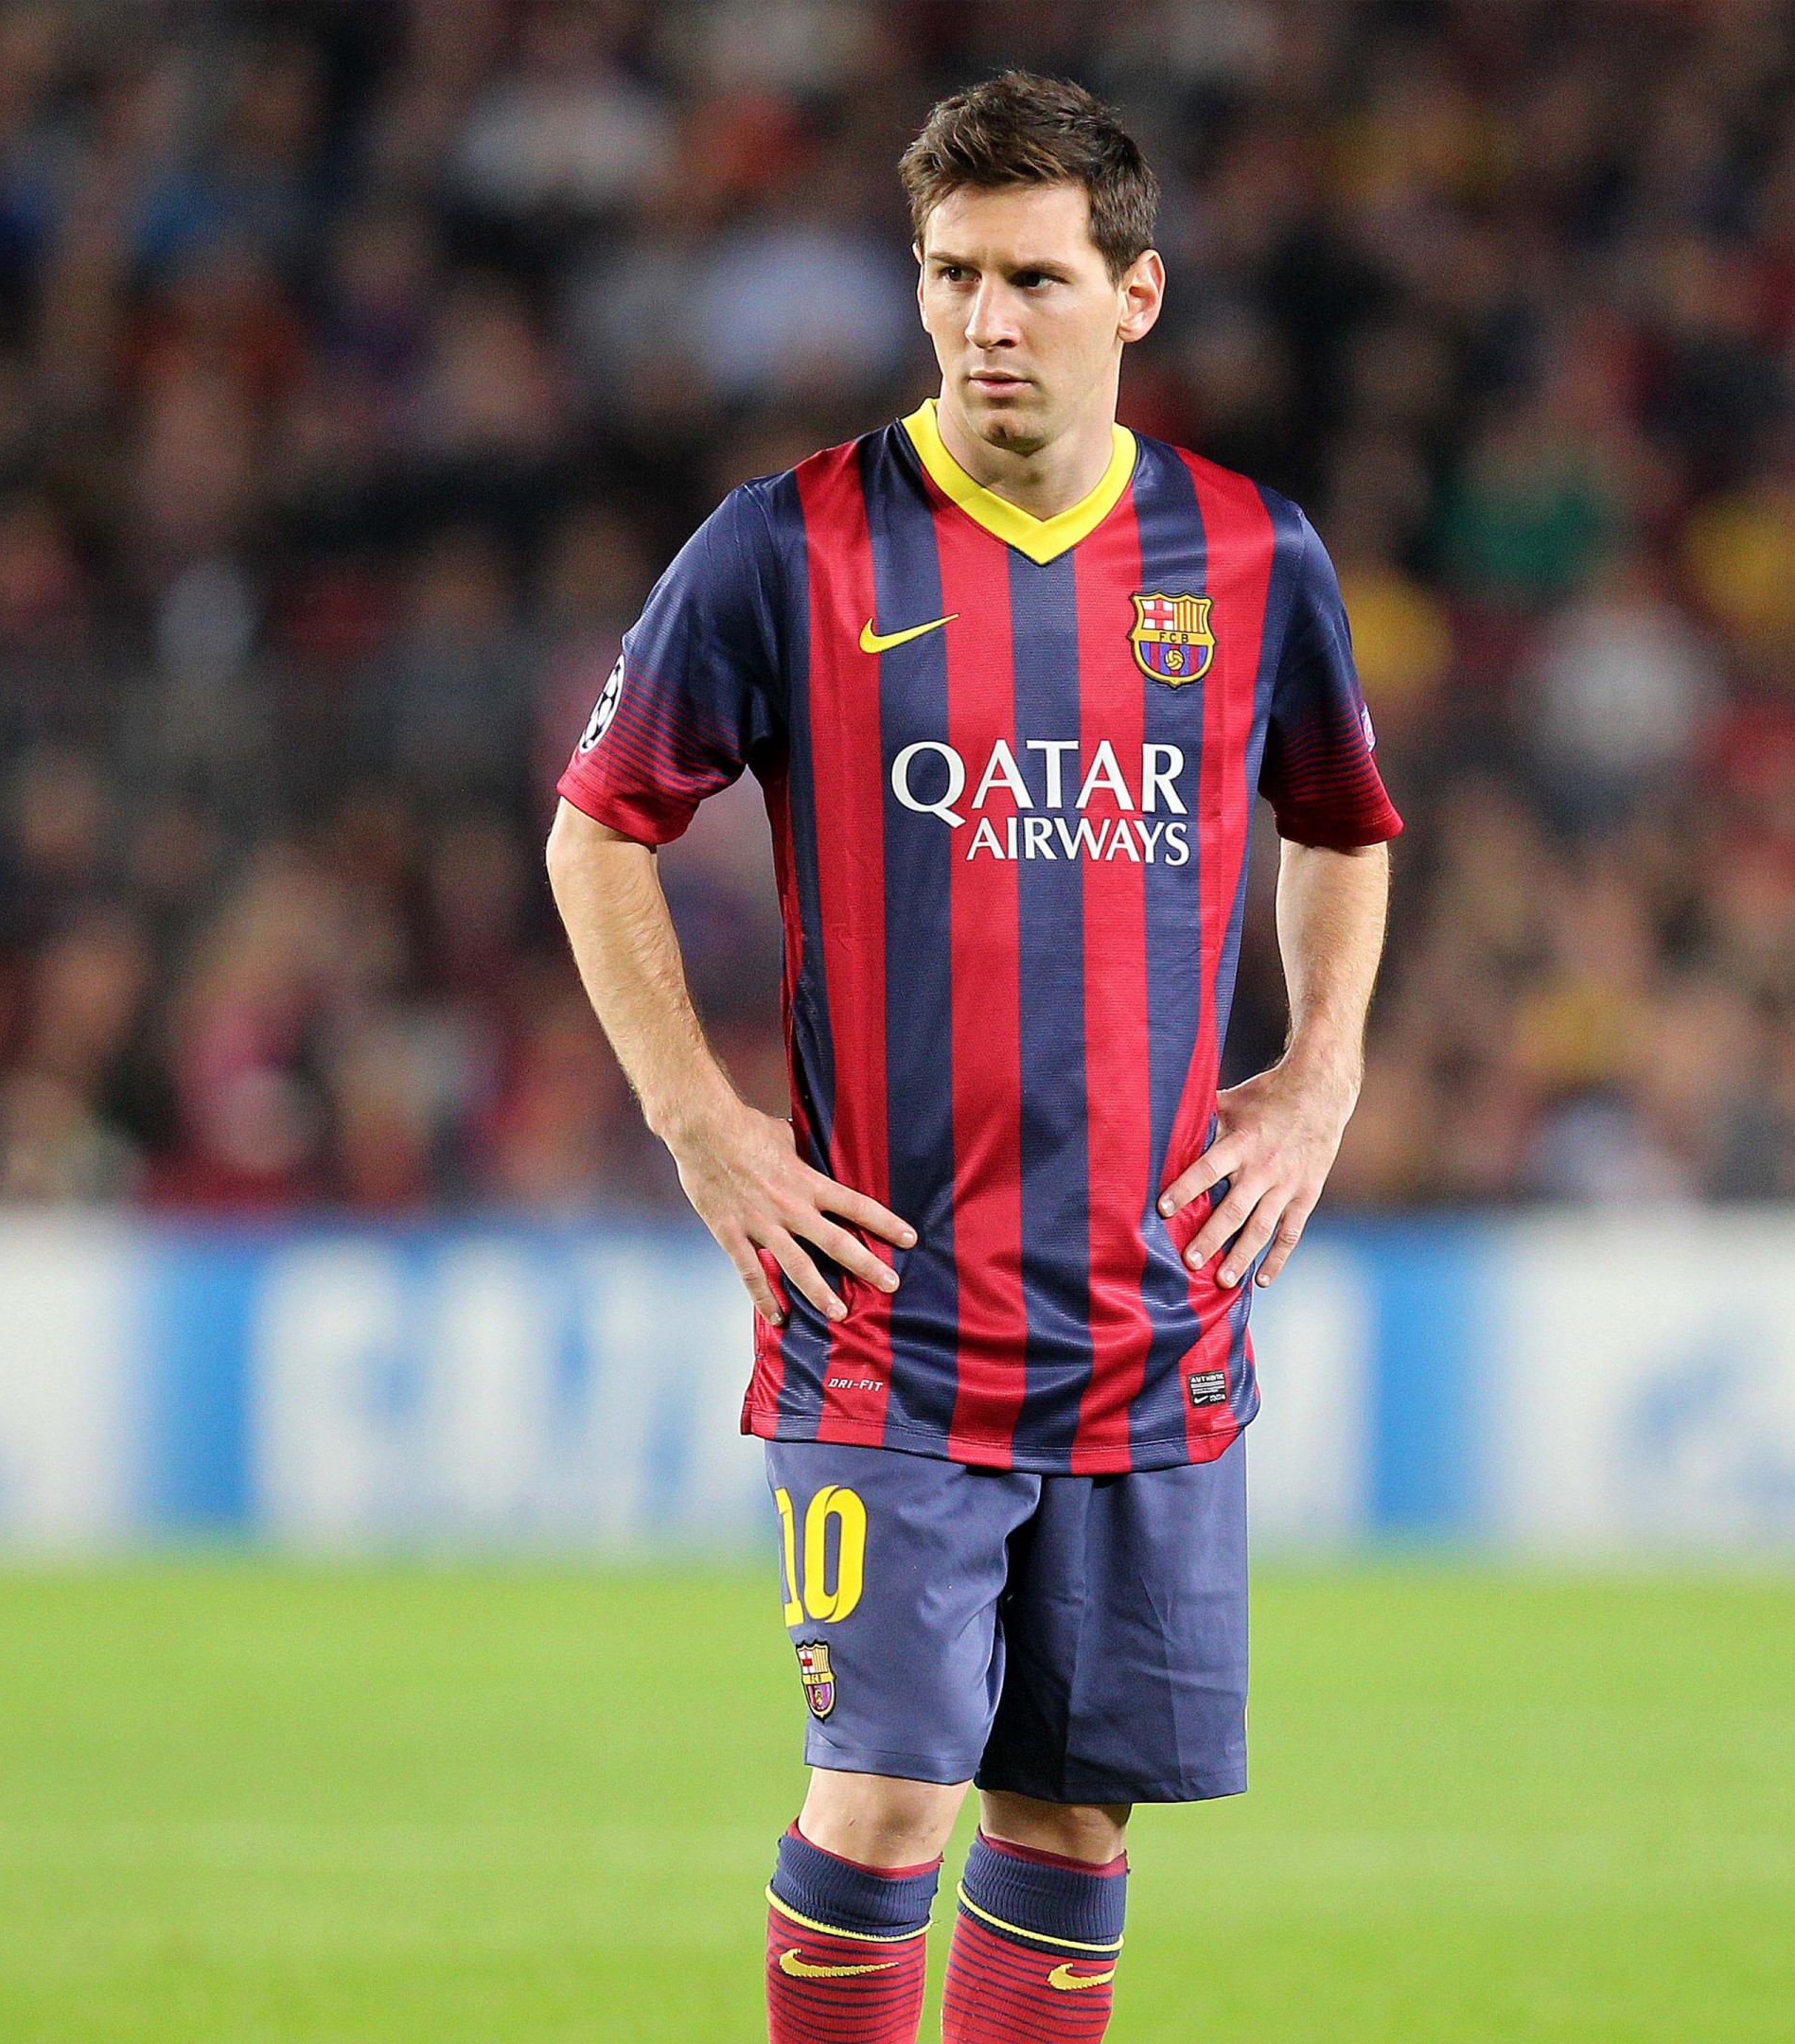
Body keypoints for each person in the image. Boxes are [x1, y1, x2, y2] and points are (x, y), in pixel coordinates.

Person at [544, 74, 1399, 2044]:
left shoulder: (1250, 555)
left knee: (1074, 1821)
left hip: (1150, 1307)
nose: (986, 322)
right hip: (889, 1308)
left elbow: (1343, 822)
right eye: (951, 276)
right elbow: (600, 829)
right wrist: (702, 1126)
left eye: (1033, 278)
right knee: (887, 1799)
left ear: (1136, 294)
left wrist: (1320, 1076)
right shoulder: (789, 548)